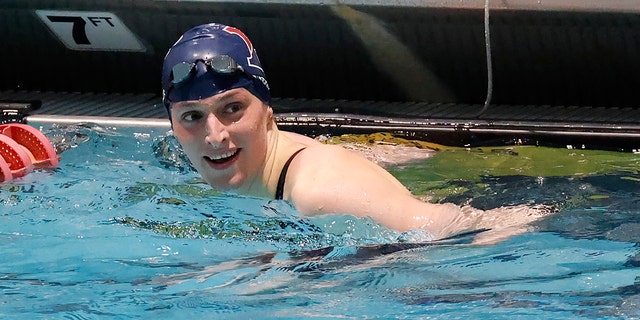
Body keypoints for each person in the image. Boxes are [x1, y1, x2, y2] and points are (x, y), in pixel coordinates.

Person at [161, 23, 549, 242]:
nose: (214, 136)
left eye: (232, 109)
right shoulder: (233, 166)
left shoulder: (322, 193)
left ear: (267, 111)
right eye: (192, 116)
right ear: (174, 126)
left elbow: (492, 224)